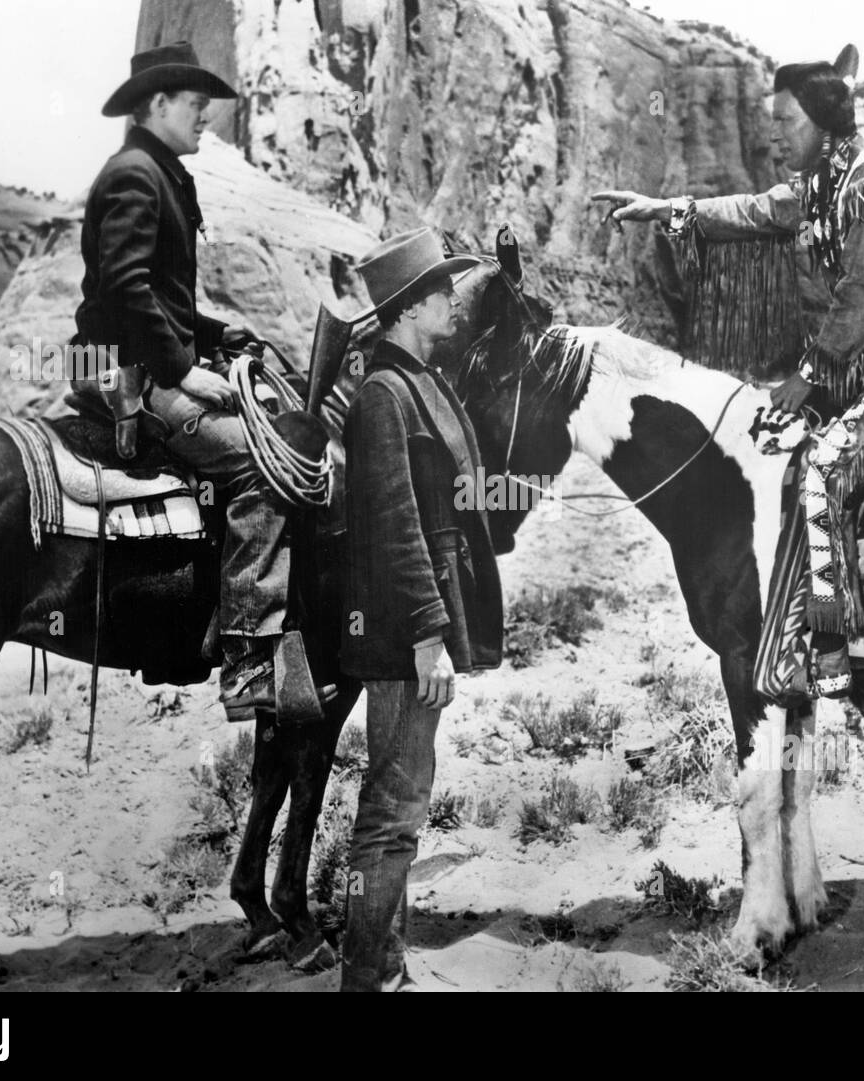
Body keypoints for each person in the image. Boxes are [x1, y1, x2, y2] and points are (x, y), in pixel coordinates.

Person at [591, 44, 864, 697]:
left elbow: (862, 300)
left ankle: (842, 652)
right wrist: (663, 208)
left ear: (822, 122)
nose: (774, 133)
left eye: (784, 122)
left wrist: (806, 376)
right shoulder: (819, 186)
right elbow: (752, 212)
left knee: (826, 469)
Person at [73, 42, 293, 721]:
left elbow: (158, 298)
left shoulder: (157, 171)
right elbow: (127, 290)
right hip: (126, 374)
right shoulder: (137, 175)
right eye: (196, 105)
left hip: (146, 358)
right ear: (158, 105)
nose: (206, 118)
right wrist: (187, 372)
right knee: (263, 468)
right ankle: (248, 659)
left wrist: (215, 332)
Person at [338, 229, 504, 991]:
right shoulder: (384, 393)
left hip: (417, 632)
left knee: (404, 796)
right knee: (392, 806)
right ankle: (365, 974)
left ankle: (387, 964)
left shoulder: (417, 380)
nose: (452, 301)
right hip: (406, 637)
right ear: (408, 309)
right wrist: (430, 636)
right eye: (441, 291)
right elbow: (396, 527)